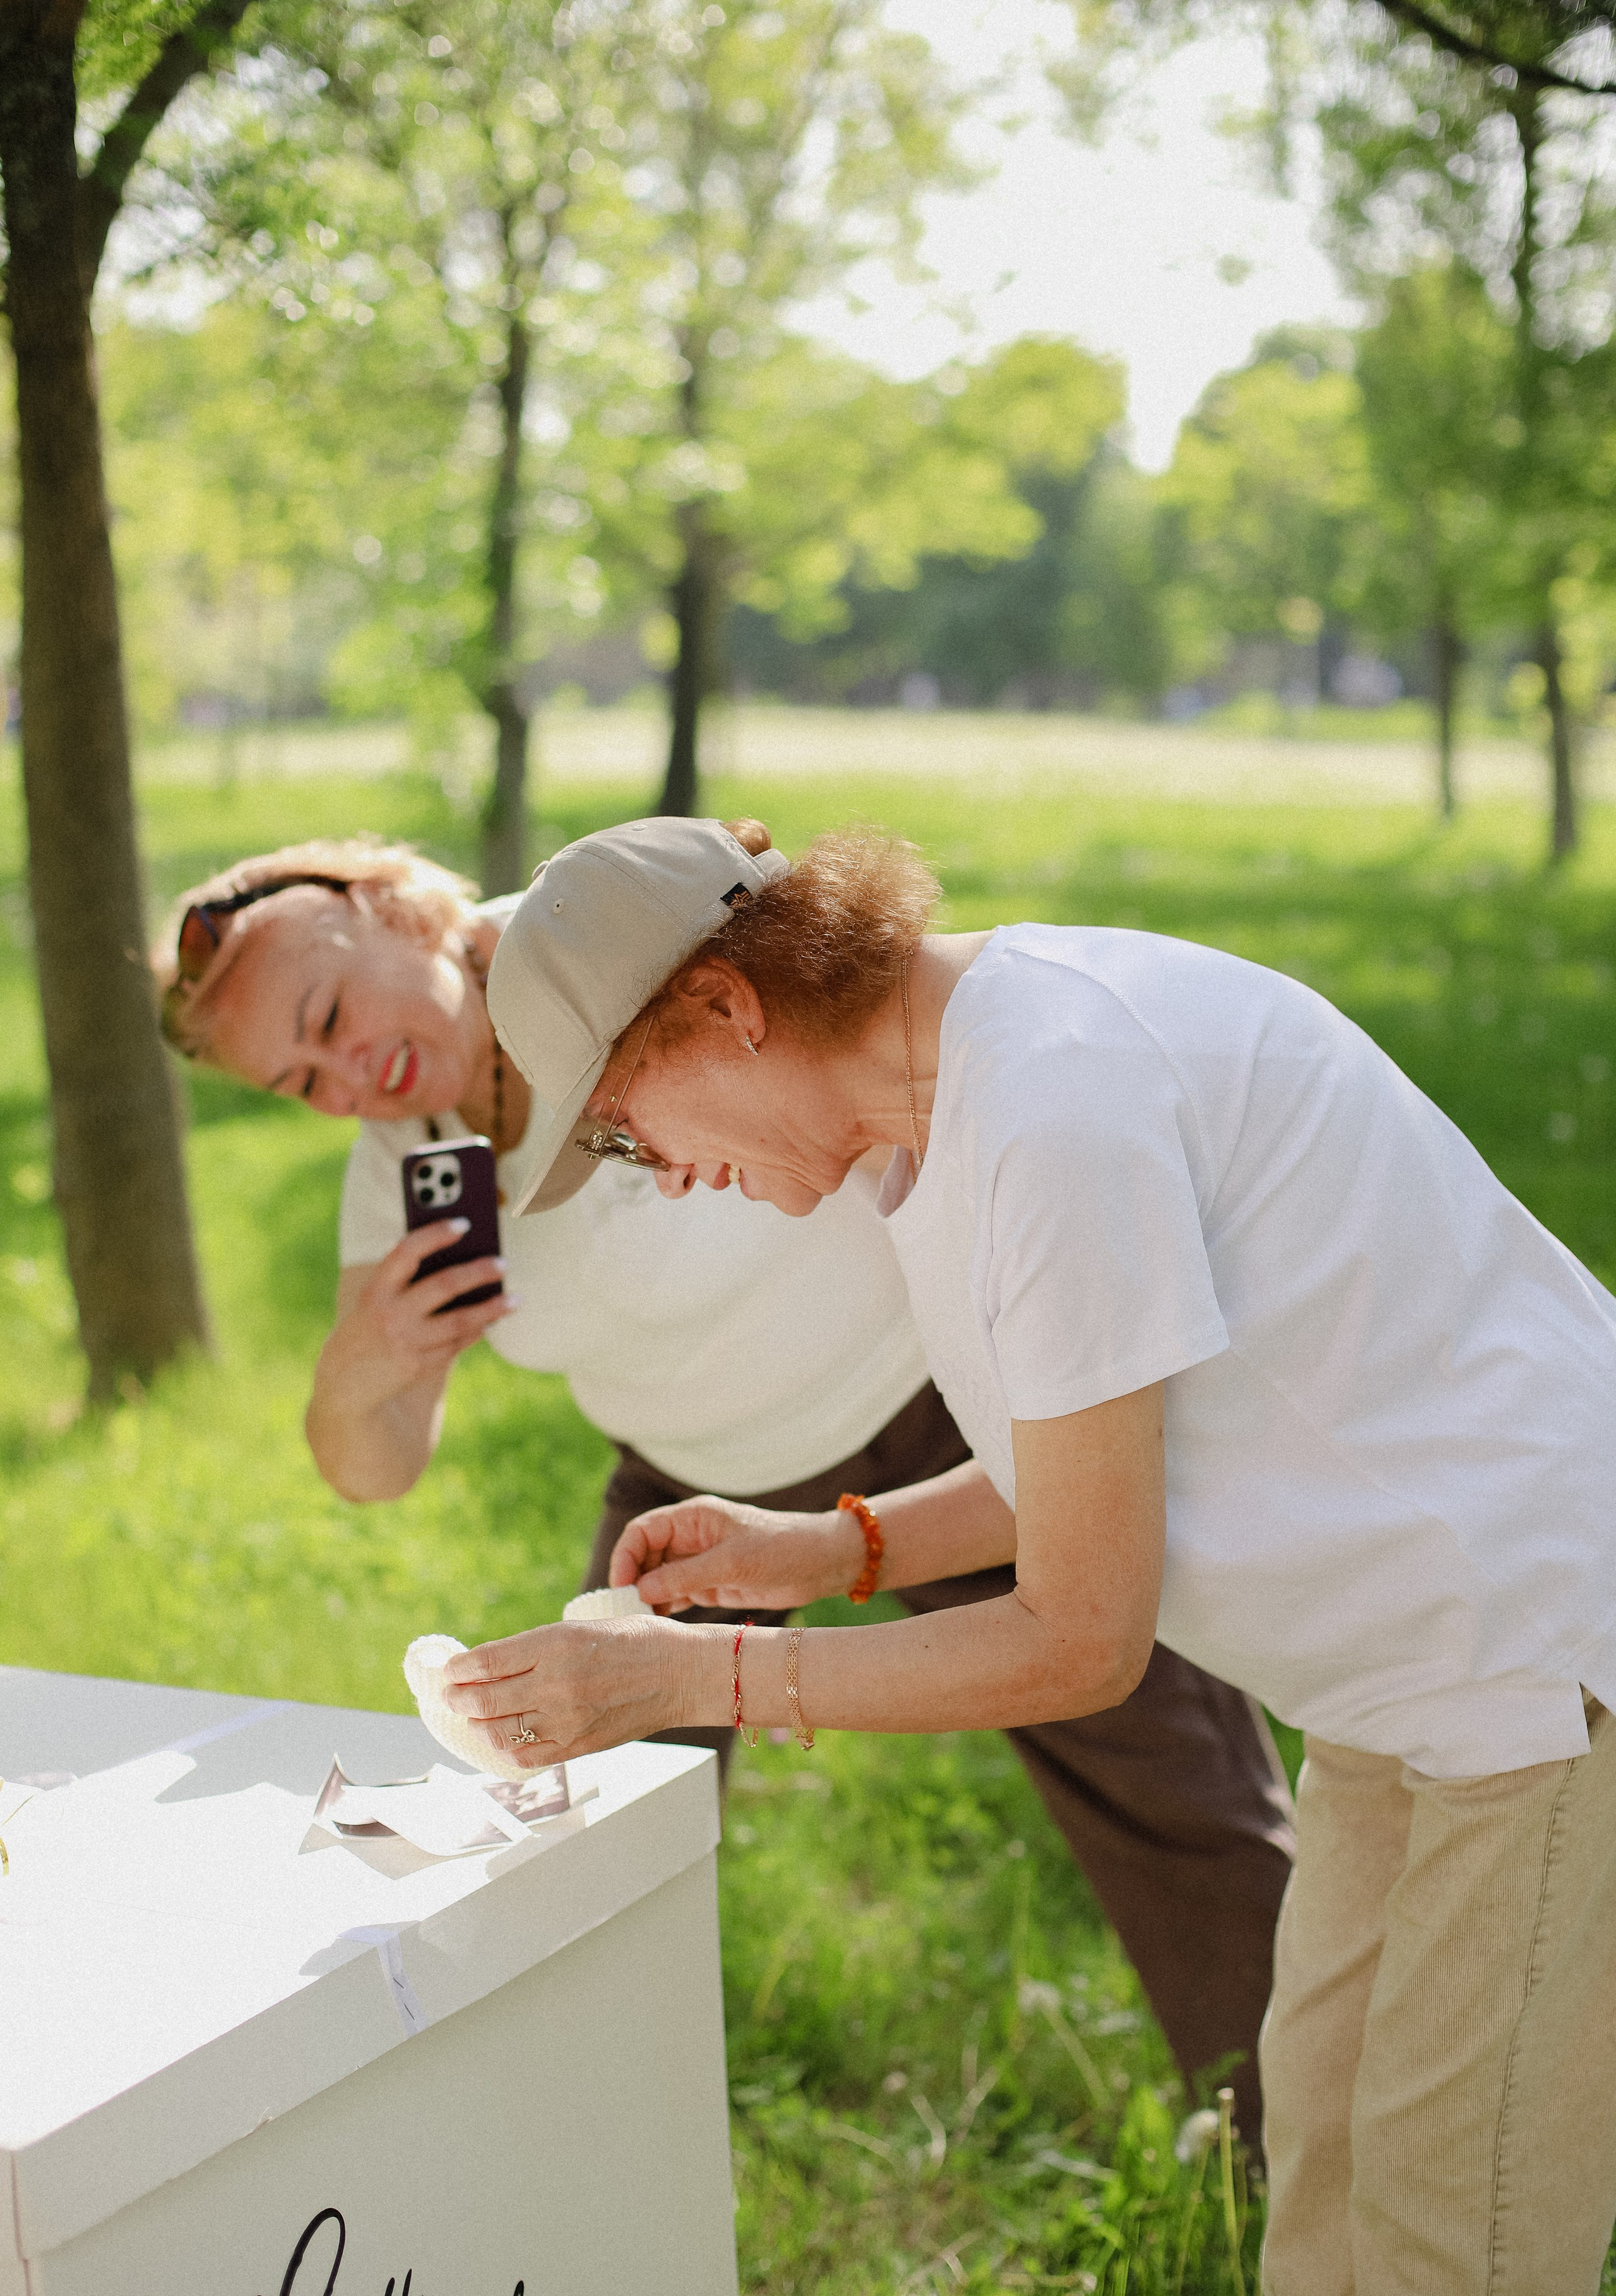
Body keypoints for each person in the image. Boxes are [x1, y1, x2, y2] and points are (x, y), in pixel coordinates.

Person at [448, 814, 1616, 2296]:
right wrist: (821, 1549)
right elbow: (1087, 1441)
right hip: (1398, 1680)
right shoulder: (949, 1099)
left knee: (1445, 2245)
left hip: (1537, 1663)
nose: (677, 1175)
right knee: (1329, 2193)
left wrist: (697, 1679)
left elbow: (1079, 1637)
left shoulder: (1054, 1104)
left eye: (637, 1132)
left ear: (723, 1006)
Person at [153, 836, 1295, 2144]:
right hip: (688, 1485)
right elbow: (374, 1469)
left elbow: (874, 1038)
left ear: (390, 911)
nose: (349, 1076)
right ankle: (590, 2148)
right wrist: (361, 1371)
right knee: (586, 1824)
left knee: (1169, 1777)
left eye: (331, 1016)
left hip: (937, 1414)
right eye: (302, 1079)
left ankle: (1295, 2136)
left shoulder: (613, 941)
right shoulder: (409, 1163)